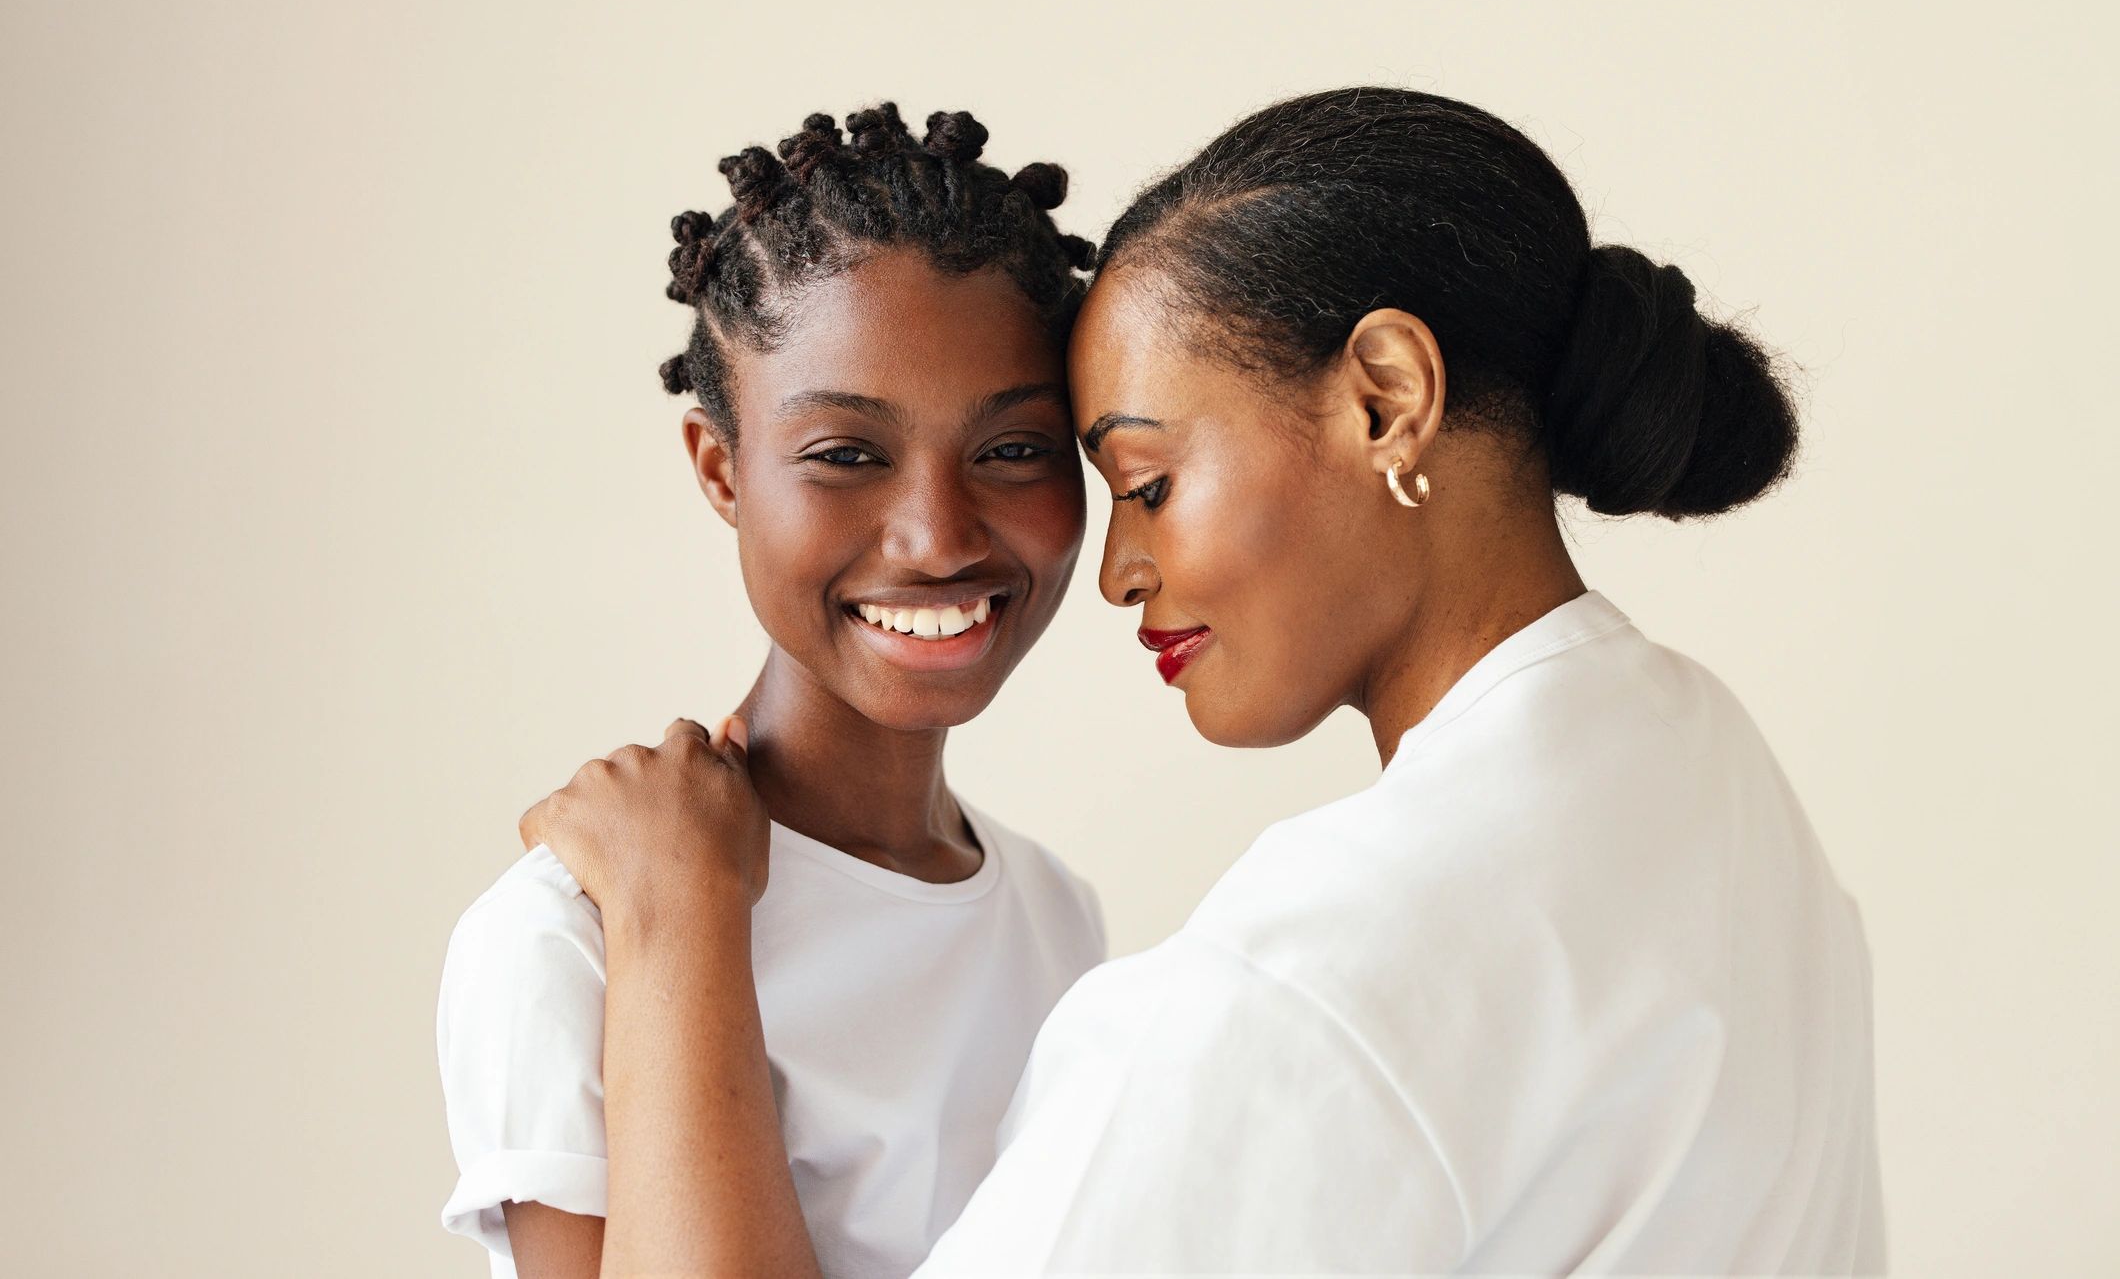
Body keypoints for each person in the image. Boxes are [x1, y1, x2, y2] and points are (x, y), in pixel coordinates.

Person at [521, 87, 1887, 1275]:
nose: (1119, 570)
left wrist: (675, 914)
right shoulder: (1707, 766)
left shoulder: (1318, 975)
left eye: (1152, 482)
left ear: (1387, 397)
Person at [436, 104, 1112, 1279]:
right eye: (847, 454)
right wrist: (677, 918)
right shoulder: (567, 938)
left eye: (1012, 449)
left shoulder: (1056, 917)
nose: (937, 537)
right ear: (720, 469)